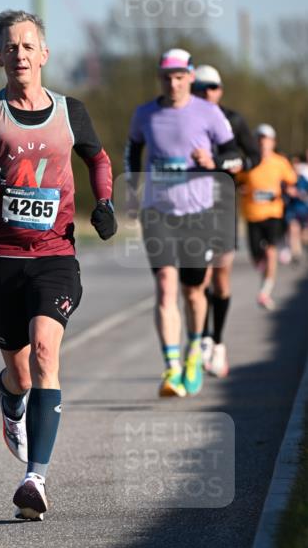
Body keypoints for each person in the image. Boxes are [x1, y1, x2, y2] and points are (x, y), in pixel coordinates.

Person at [0, 10, 116, 520]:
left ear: (44, 54)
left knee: (44, 353)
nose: (20, 54)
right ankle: (9, 397)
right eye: (10, 47)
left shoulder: (70, 111)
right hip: (0, 261)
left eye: (28, 46)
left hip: (56, 257)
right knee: (19, 372)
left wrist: (103, 204)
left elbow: (98, 160)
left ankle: (35, 477)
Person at [125, 49, 239, 398]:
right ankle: (171, 368)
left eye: (179, 77)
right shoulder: (146, 113)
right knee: (165, 286)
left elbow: (236, 158)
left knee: (193, 290)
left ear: (190, 76)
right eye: (166, 78)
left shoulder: (209, 113)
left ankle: (193, 351)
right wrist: (132, 190)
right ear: (160, 78)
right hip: (158, 213)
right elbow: (132, 153)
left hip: (199, 214)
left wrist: (213, 160)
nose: (172, 84)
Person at [191, 64, 260, 378]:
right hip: (191, 207)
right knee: (197, 279)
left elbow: (254, 155)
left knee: (220, 277)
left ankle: (218, 342)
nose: (207, 93)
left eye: (212, 87)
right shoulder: (185, 118)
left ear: (220, 90)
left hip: (222, 205)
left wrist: (227, 164)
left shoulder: (232, 120)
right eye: (201, 87)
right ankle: (203, 337)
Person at [237, 125, 298, 309]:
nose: (263, 144)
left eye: (267, 141)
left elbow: (290, 181)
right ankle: (263, 268)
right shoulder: (248, 163)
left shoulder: (281, 162)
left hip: (273, 212)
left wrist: (289, 190)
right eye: (260, 141)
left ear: (273, 143)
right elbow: (238, 182)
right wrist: (241, 188)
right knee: (256, 256)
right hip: (252, 214)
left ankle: (265, 291)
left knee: (271, 251)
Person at [285, 153, 308, 263]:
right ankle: (296, 255)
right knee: (293, 230)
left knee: (304, 236)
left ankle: (300, 248)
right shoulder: (287, 180)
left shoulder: (304, 179)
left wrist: (300, 194)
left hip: (304, 210)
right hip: (292, 210)